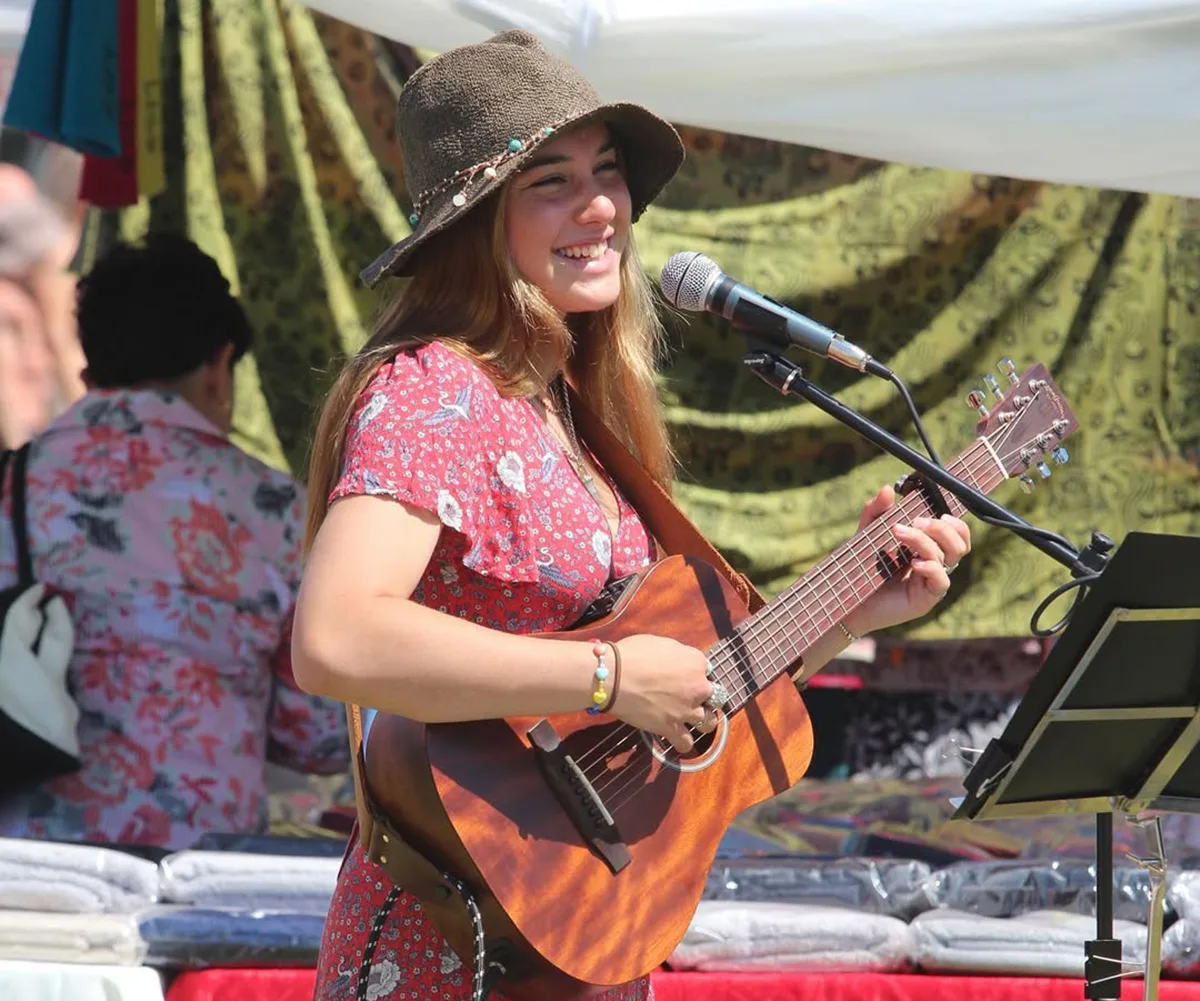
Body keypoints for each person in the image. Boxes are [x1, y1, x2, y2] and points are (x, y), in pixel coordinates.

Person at [293, 30, 970, 1001]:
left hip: (579, 942)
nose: (603, 206)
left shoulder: (566, 407)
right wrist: (608, 673)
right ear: (477, 222)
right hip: (455, 955)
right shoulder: (434, 388)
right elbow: (335, 636)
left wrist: (855, 605)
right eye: (552, 181)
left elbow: (682, 688)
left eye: (608, 174)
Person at [0, 234, 348, 849]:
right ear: (219, 368)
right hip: (196, 858)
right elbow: (318, 726)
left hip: (27, 859)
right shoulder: (273, 508)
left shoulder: (13, 484)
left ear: (88, 372)